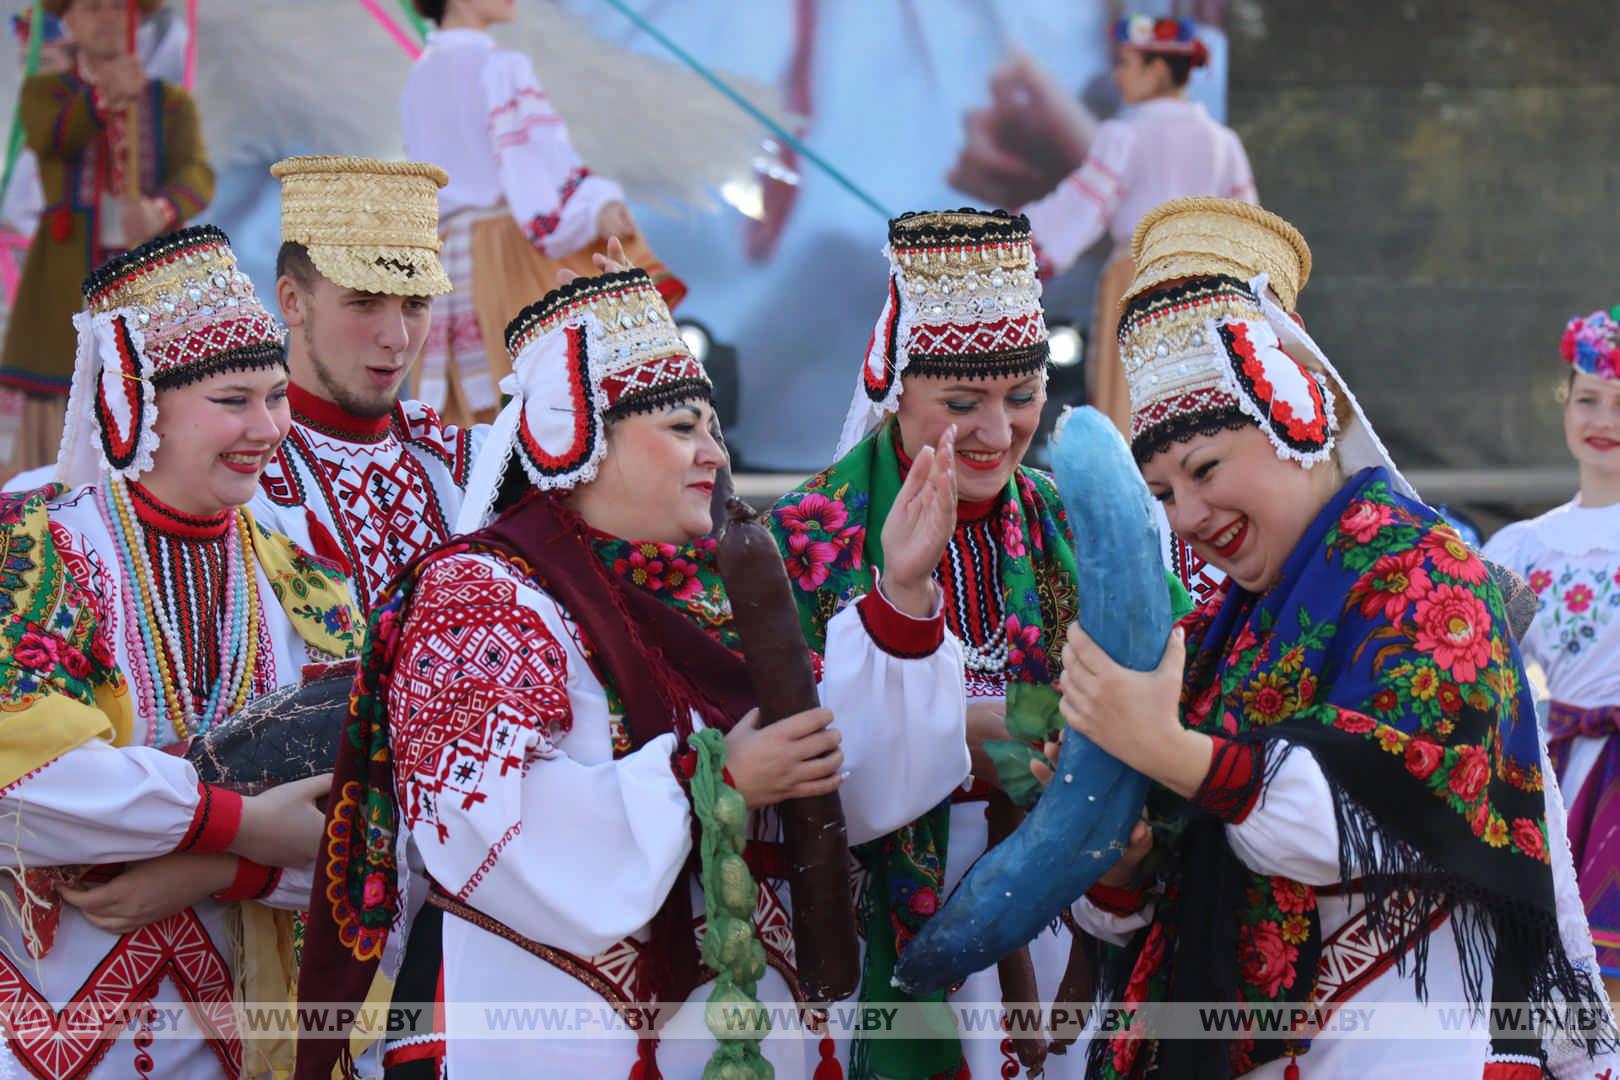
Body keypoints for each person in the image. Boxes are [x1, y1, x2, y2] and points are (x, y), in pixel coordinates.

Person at [292, 262, 969, 1079]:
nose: (714, 454)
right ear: (579, 437)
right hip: (565, 1038)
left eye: (714, 429)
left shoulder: (730, 591)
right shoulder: (479, 596)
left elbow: (846, 788)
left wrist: (900, 592)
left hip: (750, 1028)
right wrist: (710, 782)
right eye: (683, 427)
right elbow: (482, 826)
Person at [1056, 196, 1616, 1077]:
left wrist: (1168, 750)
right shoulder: (1224, 626)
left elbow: (1378, 814)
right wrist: (1124, 859)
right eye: (1162, 493)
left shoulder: (1428, 576)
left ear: (1302, 418)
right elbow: (1167, 883)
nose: (1190, 515)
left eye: (1204, 469)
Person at [773, 208, 1189, 1078]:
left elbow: (1165, 694)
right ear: (897, 391)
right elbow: (802, 765)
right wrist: (987, 722)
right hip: (873, 928)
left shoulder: (1069, 521)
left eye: (1023, 396)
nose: (998, 434)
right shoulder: (810, 537)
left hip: (1052, 923)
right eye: (961, 404)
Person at [0, 225, 359, 1078]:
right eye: (235, 400)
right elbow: (24, 776)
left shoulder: (303, 579)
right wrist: (235, 824)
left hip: (236, 1033)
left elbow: (365, 826)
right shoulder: (38, 547)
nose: (269, 426)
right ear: (134, 402)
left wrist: (223, 872)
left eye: (277, 396)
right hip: (41, 1029)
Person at [399, 0, 681, 427]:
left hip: (444, 266)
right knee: (547, 404)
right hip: (507, 254)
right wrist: (595, 207)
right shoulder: (501, 67)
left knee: (466, 421)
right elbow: (534, 167)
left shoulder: (418, 77)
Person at [249, 156, 484, 612]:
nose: (396, 339)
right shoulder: (246, 472)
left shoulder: (457, 464)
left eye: (415, 305)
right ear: (292, 301)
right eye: (364, 302)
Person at [0, 0, 212, 486]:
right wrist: (101, 100)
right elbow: (52, 137)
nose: (108, 17)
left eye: (120, 8)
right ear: (69, 21)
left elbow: (197, 174)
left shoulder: (169, 103)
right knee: (62, 401)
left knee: (150, 389)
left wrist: (161, 210)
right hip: (66, 277)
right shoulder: (46, 92)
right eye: (92, 7)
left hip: (144, 278)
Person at [1017, 15, 1255, 437]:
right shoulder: (1223, 142)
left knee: (1130, 408)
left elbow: (1081, 207)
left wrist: (1014, 239)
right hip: (1208, 289)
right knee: (1199, 406)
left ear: (1157, 68)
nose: (1118, 74)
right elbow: (1245, 235)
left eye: (1127, 63)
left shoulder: (1124, 135)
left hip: (1138, 279)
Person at [1484, 306, 1620, 1004]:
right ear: (1565, 403)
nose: (1604, 417)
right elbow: (1477, 661)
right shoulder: (1524, 549)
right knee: (1570, 979)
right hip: (1566, 773)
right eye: (1590, 397)